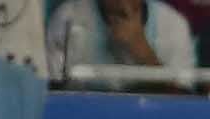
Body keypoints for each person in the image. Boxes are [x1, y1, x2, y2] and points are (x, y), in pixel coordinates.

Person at [46, 0, 196, 83]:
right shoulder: (68, 19)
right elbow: (53, 93)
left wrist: (144, 54)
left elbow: (184, 102)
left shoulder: (173, 25)